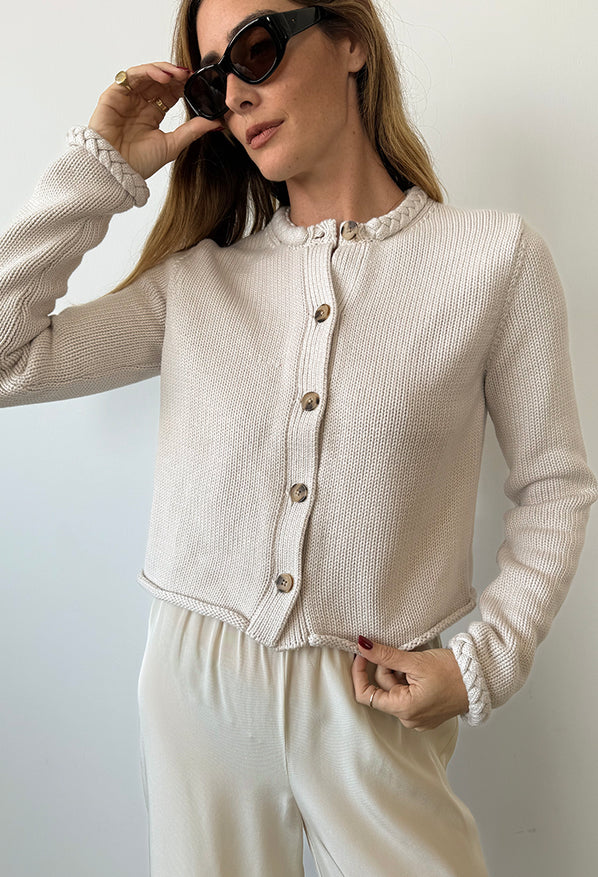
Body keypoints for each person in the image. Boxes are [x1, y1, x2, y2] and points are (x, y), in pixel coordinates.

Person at [1, 0, 596, 874]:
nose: (237, 92)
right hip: (197, 685)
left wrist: (480, 663)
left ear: (351, 41)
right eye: (213, 76)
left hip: (377, 692)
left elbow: (555, 485)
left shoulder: (493, 260)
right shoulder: (198, 285)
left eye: (257, 48)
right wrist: (103, 167)